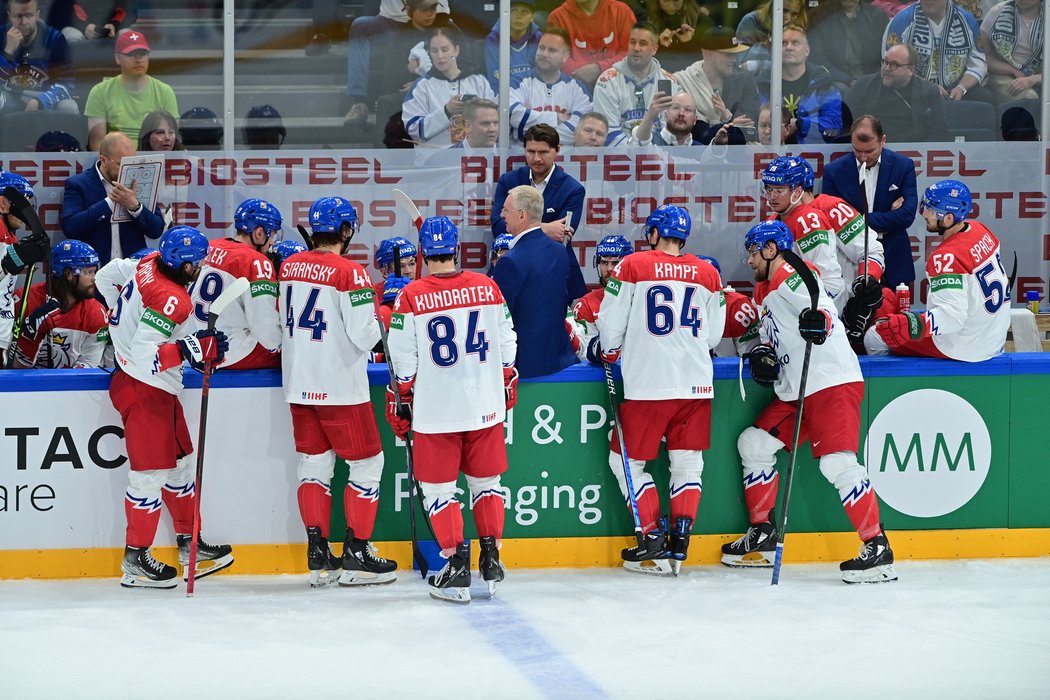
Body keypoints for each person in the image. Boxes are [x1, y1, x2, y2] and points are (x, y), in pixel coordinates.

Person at [721, 219, 897, 585]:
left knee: (837, 463)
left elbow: (819, 311)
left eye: (754, 253)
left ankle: (877, 547)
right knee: (753, 444)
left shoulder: (793, 271)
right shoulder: (765, 290)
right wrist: (765, 356)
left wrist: (817, 322)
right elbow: (779, 334)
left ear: (771, 249)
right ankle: (764, 534)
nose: (750, 261)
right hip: (796, 389)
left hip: (829, 380)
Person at [385, 216, 517, 603]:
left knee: (440, 490)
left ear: (424, 253)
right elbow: (508, 342)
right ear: (457, 249)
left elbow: (402, 358)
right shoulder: (487, 286)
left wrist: (403, 398)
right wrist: (506, 378)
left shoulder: (410, 295)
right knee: (487, 485)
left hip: (436, 411)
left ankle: (457, 563)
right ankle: (491, 556)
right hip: (484, 407)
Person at [596, 205, 724, 576]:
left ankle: (651, 536)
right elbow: (714, 335)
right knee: (687, 464)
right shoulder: (708, 272)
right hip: (697, 384)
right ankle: (680, 541)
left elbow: (611, 321)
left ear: (655, 233)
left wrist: (609, 349)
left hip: (650, 383)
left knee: (625, 461)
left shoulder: (632, 265)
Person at [279, 196, 397, 588]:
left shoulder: (289, 266)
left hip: (299, 385)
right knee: (366, 464)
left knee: (314, 467)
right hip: (341, 390)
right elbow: (365, 335)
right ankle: (357, 552)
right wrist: (383, 313)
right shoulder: (351, 273)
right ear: (345, 231)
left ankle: (318, 552)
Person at [108, 225, 234, 588]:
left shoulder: (147, 261)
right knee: (148, 476)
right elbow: (146, 354)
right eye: (195, 263)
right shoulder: (172, 297)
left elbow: (106, 276)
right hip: (144, 389)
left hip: (156, 387)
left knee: (180, 467)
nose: (200, 268)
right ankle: (135, 559)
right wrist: (188, 349)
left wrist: (119, 325)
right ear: (182, 264)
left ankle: (188, 544)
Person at [864, 179, 1011, 362]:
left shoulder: (945, 257)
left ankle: (902, 385)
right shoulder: (981, 230)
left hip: (966, 346)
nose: (924, 214)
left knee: (875, 336)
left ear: (948, 218)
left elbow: (952, 317)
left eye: (930, 210)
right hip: (995, 336)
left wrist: (915, 325)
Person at [490, 124, 587, 307]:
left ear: (557, 150)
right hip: (513, 266)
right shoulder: (509, 180)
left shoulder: (573, 189)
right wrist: (546, 228)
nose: (536, 158)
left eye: (543, 152)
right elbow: (498, 227)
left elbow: (561, 236)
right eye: (530, 151)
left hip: (554, 270)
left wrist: (525, 226)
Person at [821, 115, 919, 289]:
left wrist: (855, 220)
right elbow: (832, 221)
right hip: (850, 261)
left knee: (896, 316)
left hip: (894, 259)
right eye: (857, 151)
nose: (863, 157)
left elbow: (907, 215)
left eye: (870, 151)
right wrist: (888, 216)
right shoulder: (833, 172)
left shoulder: (903, 166)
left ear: (883, 141)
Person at [492, 185, 580, 379]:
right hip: (561, 359)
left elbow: (500, 320)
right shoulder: (559, 251)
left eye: (506, 210)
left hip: (526, 368)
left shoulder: (509, 261)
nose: (501, 215)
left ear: (522, 216)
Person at [190, 198, 283, 370]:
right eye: (273, 234)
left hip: (196, 345)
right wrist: (280, 346)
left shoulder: (209, 247)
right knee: (291, 353)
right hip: (229, 352)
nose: (273, 242)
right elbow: (263, 325)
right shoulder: (256, 262)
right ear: (259, 233)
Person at [61, 131, 165, 264]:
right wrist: (110, 202)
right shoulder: (79, 184)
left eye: (132, 162)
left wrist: (136, 207)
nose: (129, 169)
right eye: (121, 164)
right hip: (94, 272)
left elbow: (156, 230)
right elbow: (70, 227)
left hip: (132, 272)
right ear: (104, 160)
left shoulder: (139, 181)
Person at [343, 0, 450, 125]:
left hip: (433, 19)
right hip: (390, 21)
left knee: (451, 37)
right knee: (360, 26)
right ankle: (359, 103)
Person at [761, 156, 846, 306]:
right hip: (787, 301)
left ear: (797, 191)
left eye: (779, 190)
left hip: (813, 305)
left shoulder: (809, 220)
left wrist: (817, 308)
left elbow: (828, 277)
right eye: (769, 189)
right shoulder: (772, 221)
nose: (772, 196)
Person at [12, 240, 107, 368]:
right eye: (89, 272)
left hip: (69, 387)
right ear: (68, 274)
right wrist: (29, 338)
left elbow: (88, 368)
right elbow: (11, 369)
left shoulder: (96, 313)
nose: (94, 278)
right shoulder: (23, 301)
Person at [83, 30, 178, 150]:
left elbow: (173, 139)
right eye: (131, 54)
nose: (138, 59)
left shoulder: (165, 92)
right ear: (117, 58)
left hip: (155, 159)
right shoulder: (99, 92)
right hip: (115, 162)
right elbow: (97, 143)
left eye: (142, 53)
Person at [402, 27, 496, 148]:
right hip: (434, 160)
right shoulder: (421, 86)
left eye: (445, 50)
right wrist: (446, 112)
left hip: (476, 157)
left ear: (456, 51)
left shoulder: (479, 81)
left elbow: (496, 119)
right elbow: (413, 129)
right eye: (434, 51)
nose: (440, 56)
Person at [592, 22, 681, 145]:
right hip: (619, 157)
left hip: (658, 154)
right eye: (632, 42)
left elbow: (671, 130)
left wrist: (649, 150)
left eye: (643, 44)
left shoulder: (670, 82)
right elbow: (606, 132)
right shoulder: (607, 81)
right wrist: (636, 150)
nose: (636, 48)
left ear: (654, 49)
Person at [883, 0, 988, 101]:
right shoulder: (902, 21)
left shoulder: (967, 21)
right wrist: (927, 87)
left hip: (955, 89)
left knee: (985, 98)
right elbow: (891, 66)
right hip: (914, 89)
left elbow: (978, 63)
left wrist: (961, 87)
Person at [843, 43, 950, 142]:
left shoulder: (929, 91)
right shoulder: (862, 86)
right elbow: (844, 122)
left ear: (910, 70)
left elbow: (939, 130)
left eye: (894, 65)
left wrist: (921, 153)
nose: (886, 68)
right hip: (870, 150)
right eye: (885, 62)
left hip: (912, 153)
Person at [758, 25, 844, 144]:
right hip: (771, 153)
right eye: (783, 43)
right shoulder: (761, 85)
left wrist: (801, 124)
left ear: (807, 51)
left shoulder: (824, 84)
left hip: (814, 155)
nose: (789, 47)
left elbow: (834, 130)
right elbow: (756, 126)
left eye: (795, 43)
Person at [508, 27, 593, 144]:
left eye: (552, 50)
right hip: (523, 158)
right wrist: (557, 118)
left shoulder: (577, 88)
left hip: (565, 160)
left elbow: (582, 132)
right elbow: (513, 116)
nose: (544, 54)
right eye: (541, 48)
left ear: (565, 56)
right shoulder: (517, 82)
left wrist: (528, 126)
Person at [674, 25, 760, 136]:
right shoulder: (684, 81)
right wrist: (731, 125)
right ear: (708, 53)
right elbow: (682, 129)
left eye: (735, 54)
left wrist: (726, 124)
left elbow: (749, 130)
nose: (734, 60)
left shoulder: (745, 80)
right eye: (728, 55)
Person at [0, 171, 48, 357]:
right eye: (22, 201)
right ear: (3, 202)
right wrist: (9, 264)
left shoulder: (8, 234)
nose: (26, 209)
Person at [0, 0, 77, 114]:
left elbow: (66, 84)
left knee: (68, 106)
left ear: (37, 15)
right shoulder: (1, 36)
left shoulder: (54, 39)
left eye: (29, 15)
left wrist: (40, 102)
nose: (24, 22)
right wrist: (8, 52)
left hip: (44, 96)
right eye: (17, 16)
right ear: (9, 16)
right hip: (9, 96)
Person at [567, 234, 632, 364]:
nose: (609, 269)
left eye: (616, 263)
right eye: (604, 262)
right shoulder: (587, 303)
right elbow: (584, 352)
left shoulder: (641, 298)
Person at [548, 0, 638, 88]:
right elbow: (556, 58)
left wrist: (599, 68)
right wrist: (585, 72)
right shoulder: (557, 18)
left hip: (620, 86)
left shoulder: (622, 12)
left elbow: (632, 53)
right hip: (575, 88)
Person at [806, 0, 888, 88]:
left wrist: (870, 80)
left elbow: (885, 55)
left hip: (872, 80)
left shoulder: (878, 16)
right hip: (837, 81)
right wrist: (848, 80)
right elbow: (816, 59)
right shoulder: (818, 17)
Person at [980, 0, 1043, 102]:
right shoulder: (997, 12)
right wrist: (1012, 70)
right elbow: (982, 57)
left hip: (1041, 74)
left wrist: (1032, 79)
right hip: (1002, 74)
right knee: (1028, 97)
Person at [484, 0, 542, 88]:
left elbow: (543, 76)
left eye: (525, 12)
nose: (519, 16)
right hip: (504, 98)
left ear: (532, 18)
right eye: (514, 10)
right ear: (505, 13)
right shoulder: (493, 40)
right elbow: (495, 81)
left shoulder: (538, 38)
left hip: (533, 95)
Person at [642, 0, 711, 72]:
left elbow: (711, 60)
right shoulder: (645, 20)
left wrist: (689, 43)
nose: (672, 6)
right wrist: (659, 44)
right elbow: (640, 59)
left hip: (692, 76)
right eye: (666, 0)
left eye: (676, 0)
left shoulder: (701, 20)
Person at [632, 90, 702, 145]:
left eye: (688, 110)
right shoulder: (651, 141)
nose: (681, 113)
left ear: (695, 120)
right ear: (665, 115)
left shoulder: (701, 151)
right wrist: (650, 116)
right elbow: (638, 145)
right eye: (676, 107)